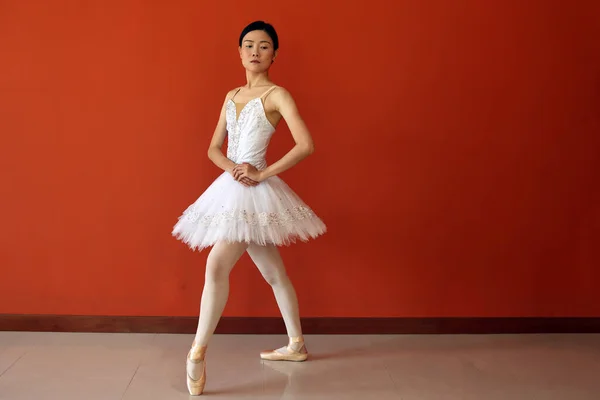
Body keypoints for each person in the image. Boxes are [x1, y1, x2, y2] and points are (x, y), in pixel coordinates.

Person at [172, 20, 326, 395]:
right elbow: (213, 148)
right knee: (274, 272)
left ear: (274, 53)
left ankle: (197, 352)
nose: (255, 51)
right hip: (232, 186)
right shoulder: (231, 95)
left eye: (264, 46)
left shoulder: (277, 95)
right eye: (249, 45)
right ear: (239, 52)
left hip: (254, 190)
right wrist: (234, 170)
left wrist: (262, 173)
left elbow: (305, 144)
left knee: (216, 264)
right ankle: (297, 345)